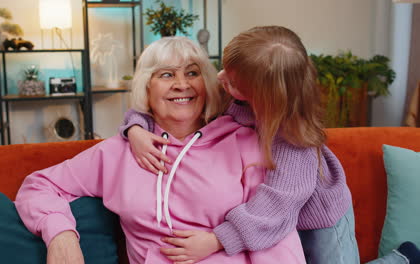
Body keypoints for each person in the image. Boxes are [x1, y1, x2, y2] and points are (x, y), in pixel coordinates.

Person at [122, 26, 420, 264]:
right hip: (277, 226)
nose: (220, 78)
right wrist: (135, 127)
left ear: (263, 96)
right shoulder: (234, 92)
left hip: (318, 219)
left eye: (230, 80)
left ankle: (402, 258)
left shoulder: (293, 142)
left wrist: (215, 240)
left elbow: (274, 208)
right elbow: (171, 104)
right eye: (224, 68)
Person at [14, 36, 306, 264]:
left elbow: (274, 232)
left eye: (192, 73)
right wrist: (61, 235)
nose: (181, 84)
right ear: (146, 88)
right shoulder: (117, 152)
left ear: (207, 84)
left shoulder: (246, 142)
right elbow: (39, 186)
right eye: (166, 75)